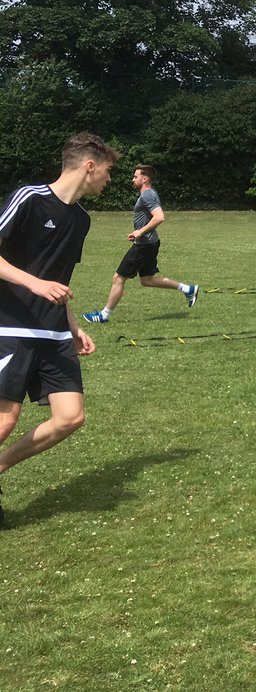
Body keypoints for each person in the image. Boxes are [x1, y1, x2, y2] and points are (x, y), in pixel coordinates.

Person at [0, 133, 118, 524]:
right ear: (89, 166)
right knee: (5, 420)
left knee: (70, 417)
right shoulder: (30, 198)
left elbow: (59, 279)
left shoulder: (81, 220)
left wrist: (71, 326)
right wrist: (32, 283)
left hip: (53, 332)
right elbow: (36, 278)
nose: (108, 179)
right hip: (11, 326)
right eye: (107, 171)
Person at [82, 164, 198, 323]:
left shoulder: (147, 195)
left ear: (145, 179)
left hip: (144, 244)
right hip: (150, 243)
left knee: (118, 278)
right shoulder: (150, 193)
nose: (132, 179)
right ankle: (187, 289)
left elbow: (159, 217)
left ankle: (103, 315)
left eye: (135, 176)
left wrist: (140, 232)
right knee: (147, 280)